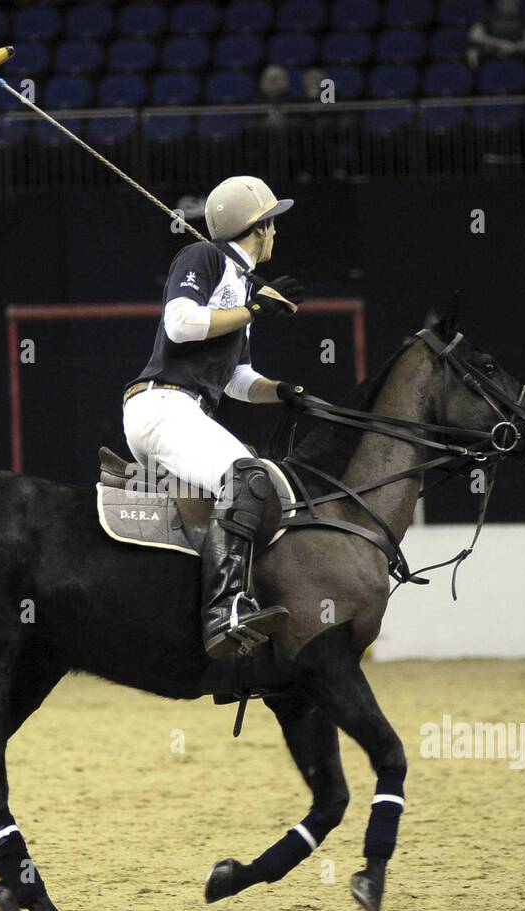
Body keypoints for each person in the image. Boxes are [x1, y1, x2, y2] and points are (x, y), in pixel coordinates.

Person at [122, 177, 309, 659]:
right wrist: (253, 310)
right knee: (248, 478)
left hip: (181, 411)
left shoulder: (243, 283)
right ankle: (225, 612)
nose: (277, 233)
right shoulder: (202, 256)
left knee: (251, 483)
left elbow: (236, 380)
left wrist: (283, 392)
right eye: (273, 222)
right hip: (162, 406)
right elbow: (179, 324)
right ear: (259, 227)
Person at [467, 0, 525, 69]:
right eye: (505, 1)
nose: (509, 3)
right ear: (499, 3)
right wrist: (500, 44)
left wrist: (513, 47)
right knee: (472, 53)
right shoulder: (488, 17)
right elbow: (474, 35)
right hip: (492, 52)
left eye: (512, 1)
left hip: (518, 54)